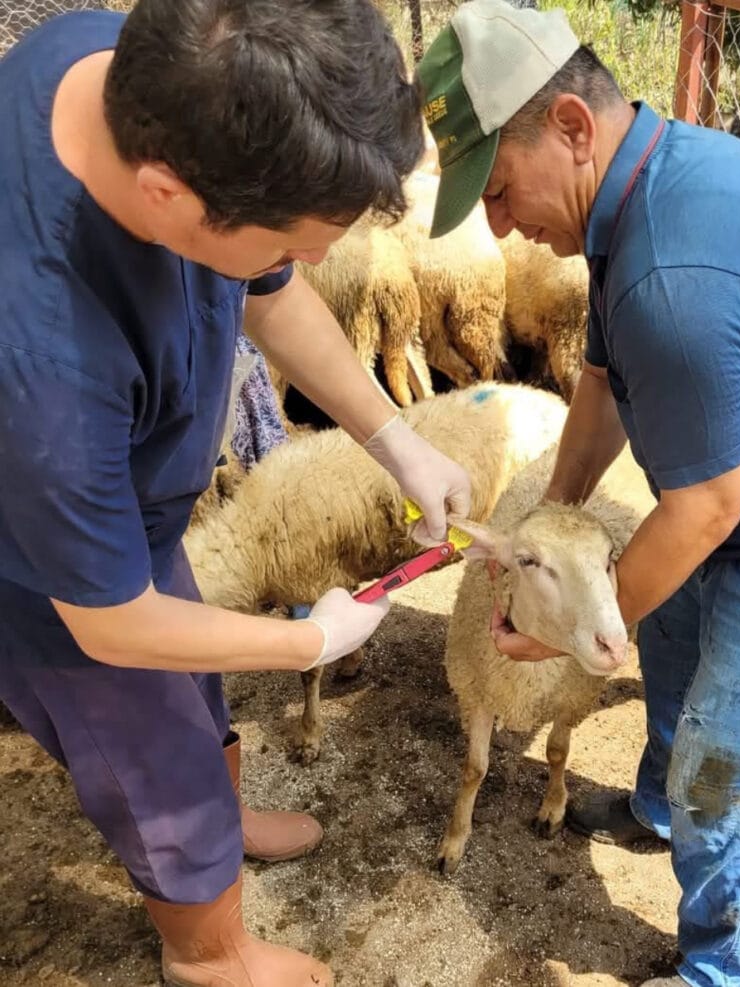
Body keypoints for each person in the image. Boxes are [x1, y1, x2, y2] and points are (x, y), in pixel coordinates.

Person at [416, 2, 740, 984]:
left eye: (495, 189)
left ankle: (719, 965)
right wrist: (555, 512)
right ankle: (657, 811)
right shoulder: (632, 205)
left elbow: (705, 511)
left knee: (725, 770)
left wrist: (564, 629)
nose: (495, 225)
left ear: (573, 129)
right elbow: (602, 377)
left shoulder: (670, 264)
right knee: (660, 636)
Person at [0, 2, 471, 985]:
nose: (300, 270)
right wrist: (310, 640)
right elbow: (113, 623)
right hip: (43, 571)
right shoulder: (42, 360)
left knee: (193, 686)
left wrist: (394, 438)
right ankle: (208, 954)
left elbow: (263, 290)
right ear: (166, 196)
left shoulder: (143, 69)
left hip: (126, 497)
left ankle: (218, 822)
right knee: (143, 746)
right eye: (285, 246)